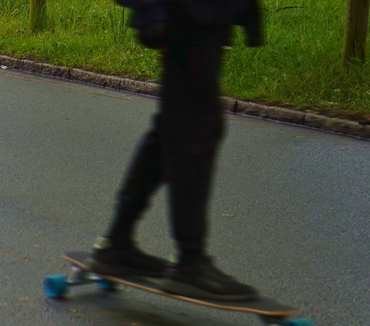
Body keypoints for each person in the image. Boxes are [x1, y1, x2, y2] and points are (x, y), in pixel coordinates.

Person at [91, 0, 264, 301]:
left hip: (204, 18)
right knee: (195, 133)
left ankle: (117, 244)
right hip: (185, 18)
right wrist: (149, 11)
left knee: (172, 132)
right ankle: (190, 261)